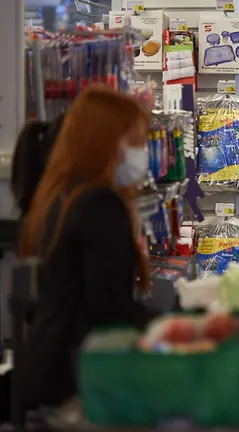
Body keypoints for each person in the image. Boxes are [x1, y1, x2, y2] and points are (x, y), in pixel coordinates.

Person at [15, 87, 158, 411]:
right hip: (76, 380)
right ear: (106, 142)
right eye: (134, 142)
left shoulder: (56, 197)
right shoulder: (99, 204)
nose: (142, 152)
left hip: (45, 371)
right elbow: (108, 307)